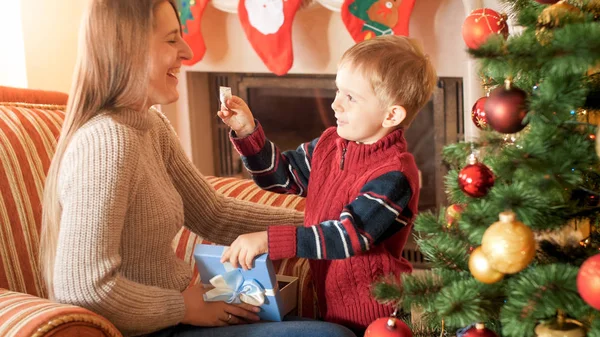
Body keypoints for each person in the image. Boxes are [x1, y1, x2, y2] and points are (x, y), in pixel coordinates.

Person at [40, 1, 356, 337]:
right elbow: (82, 289)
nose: (187, 51)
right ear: (126, 46)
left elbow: (213, 215)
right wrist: (184, 305)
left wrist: (322, 229)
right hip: (153, 328)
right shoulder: (106, 142)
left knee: (331, 329)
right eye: (172, 39)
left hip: (176, 319)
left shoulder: (150, 125)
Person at [218, 35, 437, 335]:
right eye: (337, 91)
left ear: (391, 114)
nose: (335, 104)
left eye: (351, 97)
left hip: (378, 313)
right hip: (330, 302)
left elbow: (346, 236)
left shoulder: (394, 174)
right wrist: (247, 132)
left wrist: (269, 240)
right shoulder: (330, 144)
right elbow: (283, 176)